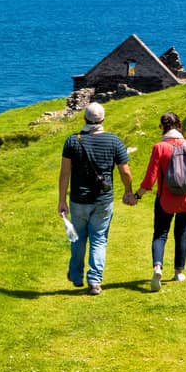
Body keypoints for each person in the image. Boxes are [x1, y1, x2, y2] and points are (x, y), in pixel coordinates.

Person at [129, 111, 186, 291]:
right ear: (179, 126)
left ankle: (157, 267)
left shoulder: (159, 148)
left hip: (164, 200)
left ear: (163, 127)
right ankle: (178, 272)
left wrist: (136, 196)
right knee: (181, 234)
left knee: (160, 234)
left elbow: (149, 180)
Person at [58, 102, 133, 295]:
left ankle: (76, 276)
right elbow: (125, 171)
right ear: (103, 119)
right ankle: (94, 281)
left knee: (78, 238)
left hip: (78, 200)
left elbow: (65, 173)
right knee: (99, 239)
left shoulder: (73, 141)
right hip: (103, 200)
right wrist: (128, 191)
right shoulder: (114, 141)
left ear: (84, 118)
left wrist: (61, 199)